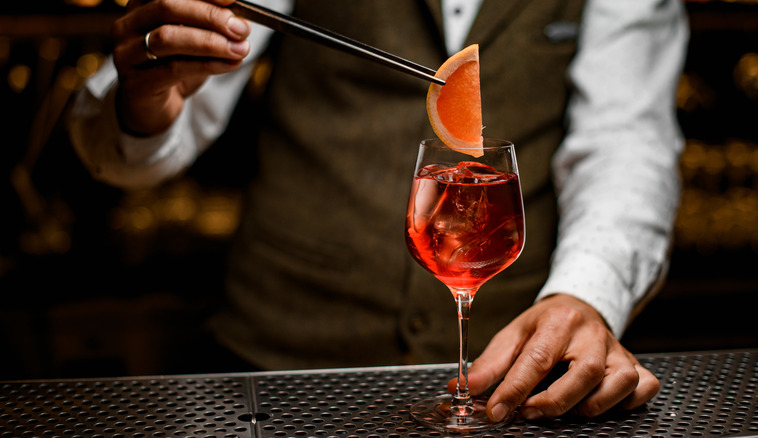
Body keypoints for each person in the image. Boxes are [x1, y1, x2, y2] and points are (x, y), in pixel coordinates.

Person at [68, 0, 688, 422]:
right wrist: (144, 97)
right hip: (282, 369)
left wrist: (588, 293)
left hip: (513, 395)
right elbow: (132, 153)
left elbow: (626, 137)